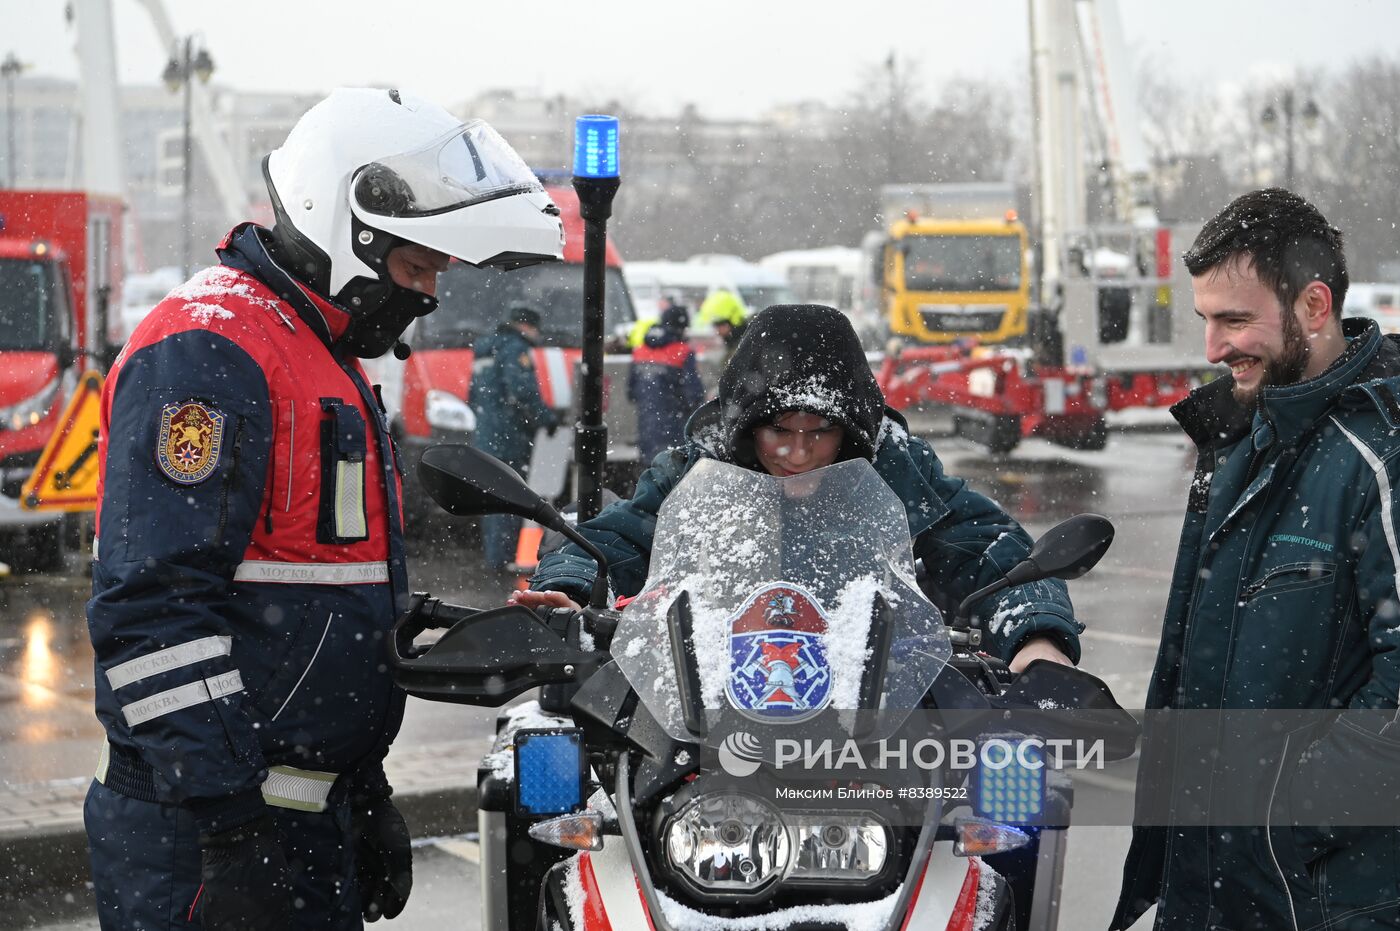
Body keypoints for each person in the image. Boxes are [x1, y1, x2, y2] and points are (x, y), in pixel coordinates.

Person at [83, 87, 561, 930]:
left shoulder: (318, 352)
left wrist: (363, 786)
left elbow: (314, 587)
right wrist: (231, 828)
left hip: (304, 819)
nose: (427, 295)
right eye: (417, 269)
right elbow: (151, 614)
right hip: (201, 833)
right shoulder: (211, 349)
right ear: (354, 235)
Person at [1112, 189, 1400, 930]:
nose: (1212, 348)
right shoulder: (1240, 437)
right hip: (1211, 894)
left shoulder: (1380, 456)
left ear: (1313, 306)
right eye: (1206, 319)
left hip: (1318, 901)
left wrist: (1280, 815)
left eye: (1234, 320)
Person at [514, 303, 1081, 674]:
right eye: (778, 431)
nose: (798, 452)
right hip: (711, 696)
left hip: (878, 702)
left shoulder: (896, 467)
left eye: (821, 432)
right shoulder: (698, 466)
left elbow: (992, 551)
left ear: (852, 430)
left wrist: (1038, 635)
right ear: (744, 428)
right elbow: (618, 540)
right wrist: (571, 587)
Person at [469, 304, 559, 571]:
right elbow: (523, 390)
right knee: (513, 495)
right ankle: (504, 559)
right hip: (510, 437)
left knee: (494, 496)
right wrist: (547, 419)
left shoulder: (485, 348)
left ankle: (495, 557)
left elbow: (473, 396)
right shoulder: (515, 348)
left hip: (486, 435)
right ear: (526, 326)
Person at [628, 302, 705, 463]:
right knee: (673, 479)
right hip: (674, 431)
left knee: (650, 477)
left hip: (646, 430)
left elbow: (631, 393)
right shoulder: (682, 352)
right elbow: (694, 394)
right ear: (682, 327)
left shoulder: (639, 351)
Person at [698, 288, 749, 365]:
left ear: (731, 322)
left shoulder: (747, 348)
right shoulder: (735, 344)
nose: (717, 331)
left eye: (718, 325)